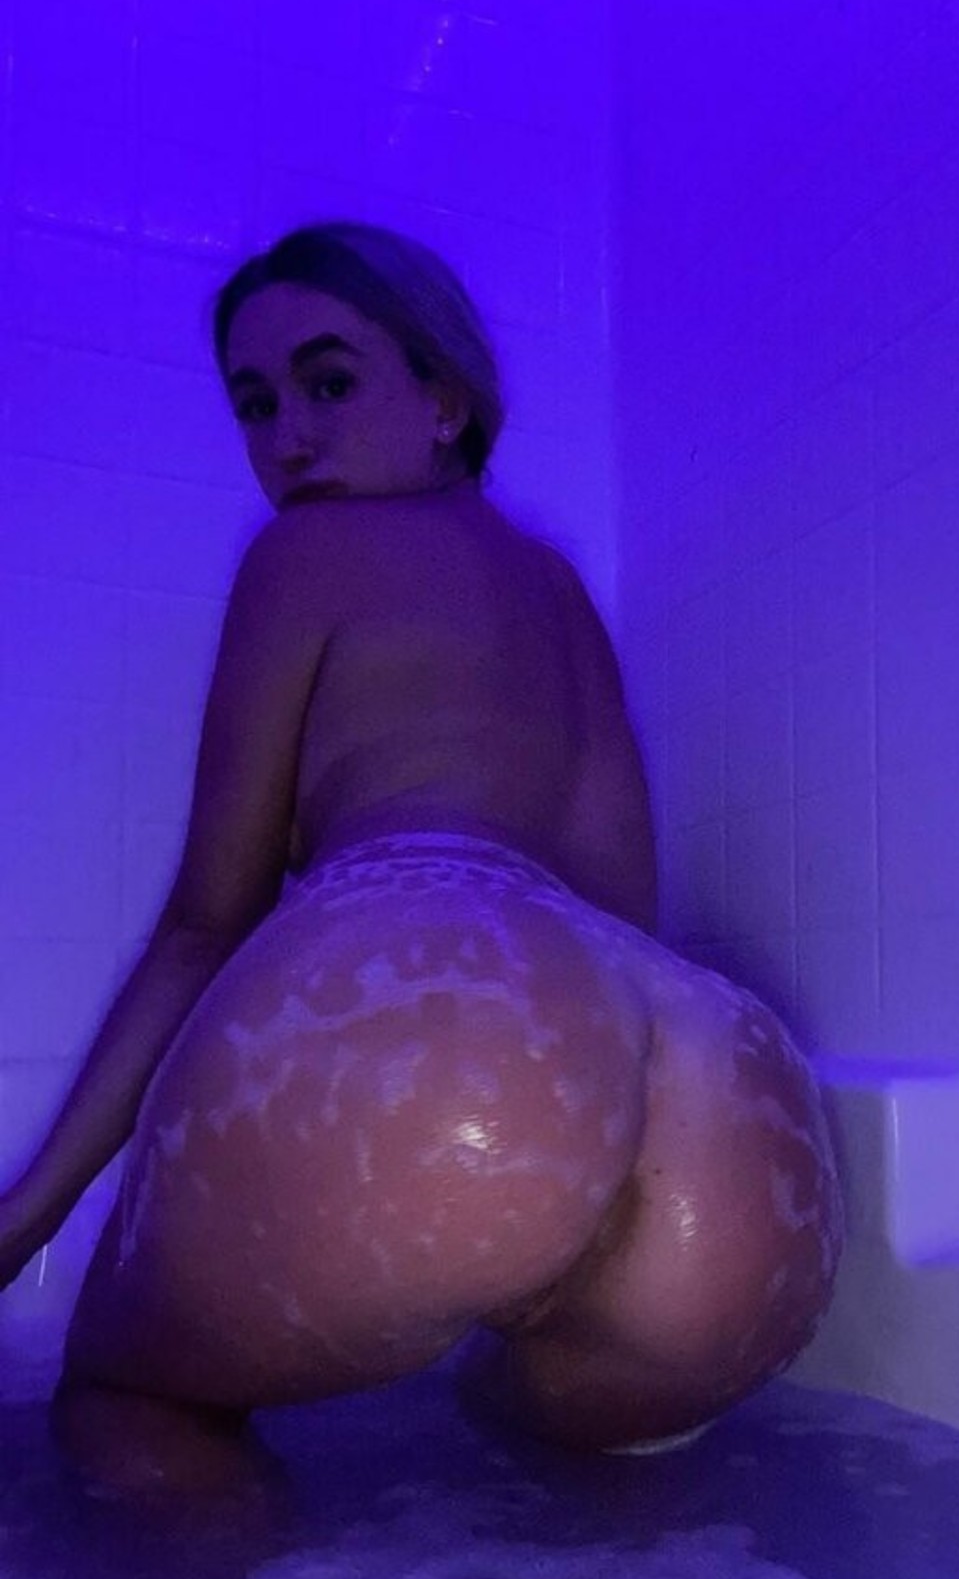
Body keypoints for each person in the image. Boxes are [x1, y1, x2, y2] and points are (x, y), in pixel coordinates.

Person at [0, 222, 843, 1499]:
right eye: (254, 403)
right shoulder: (561, 592)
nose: (288, 438)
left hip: (439, 1014)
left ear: (446, 400)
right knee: (541, 1460)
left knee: (125, 1395)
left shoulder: (305, 552)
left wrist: (27, 1216)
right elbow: (615, 916)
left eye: (329, 382)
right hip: (726, 1101)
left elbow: (204, 925)